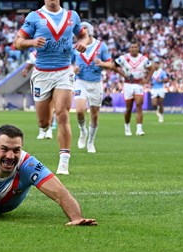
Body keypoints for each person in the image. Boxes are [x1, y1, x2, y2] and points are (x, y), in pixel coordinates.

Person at [14, 0, 90, 175]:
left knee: (62, 114)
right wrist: (32, 42)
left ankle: (64, 161)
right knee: (44, 122)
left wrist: (83, 43)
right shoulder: (34, 17)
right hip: (41, 74)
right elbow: (17, 42)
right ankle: (44, 128)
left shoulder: (72, 16)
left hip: (64, 72)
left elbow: (84, 36)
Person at [71, 22, 122, 153]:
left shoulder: (101, 46)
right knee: (79, 110)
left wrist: (102, 64)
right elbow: (68, 63)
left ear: (90, 32)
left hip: (96, 83)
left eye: (85, 30)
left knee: (94, 115)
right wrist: (73, 69)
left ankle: (91, 142)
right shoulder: (75, 47)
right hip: (80, 81)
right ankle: (83, 131)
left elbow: (111, 64)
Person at [114, 41, 154, 136]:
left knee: (139, 105)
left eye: (136, 47)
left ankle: (139, 129)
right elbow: (114, 66)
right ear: (129, 48)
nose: (134, 49)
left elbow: (152, 68)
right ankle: (127, 127)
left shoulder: (143, 59)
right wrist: (123, 75)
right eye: (132, 47)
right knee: (129, 108)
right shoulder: (124, 58)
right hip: (128, 84)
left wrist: (147, 79)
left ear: (138, 48)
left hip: (138, 84)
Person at [22, 49, 56, 139]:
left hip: (51, 81)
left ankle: (49, 130)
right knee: (39, 107)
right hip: (39, 82)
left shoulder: (53, 52)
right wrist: (25, 70)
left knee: (50, 107)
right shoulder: (33, 54)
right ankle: (41, 130)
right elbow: (29, 64)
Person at [150, 59, 169, 123]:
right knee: (154, 104)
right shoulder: (151, 71)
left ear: (159, 64)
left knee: (161, 104)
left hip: (160, 88)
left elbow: (166, 80)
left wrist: (161, 81)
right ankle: (157, 112)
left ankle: (161, 116)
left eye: (157, 63)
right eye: (155, 63)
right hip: (154, 89)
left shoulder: (162, 72)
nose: (156, 64)